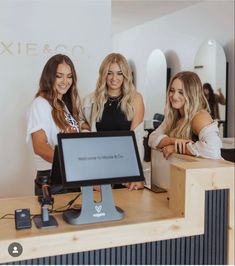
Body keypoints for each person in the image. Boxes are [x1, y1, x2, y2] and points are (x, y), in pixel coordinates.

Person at [26, 54, 88, 195]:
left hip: (69, 176)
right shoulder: (40, 104)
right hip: (52, 180)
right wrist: (71, 164)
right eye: (59, 76)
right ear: (49, 77)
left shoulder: (62, 105)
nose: (65, 81)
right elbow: (40, 147)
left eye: (69, 76)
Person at [82, 53, 145, 190]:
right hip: (98, 170)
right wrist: (84, 126)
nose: (114, 78)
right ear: (103, 74)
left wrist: (136, 175)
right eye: (109, 73)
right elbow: (82, 129)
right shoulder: (90, 100)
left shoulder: (136, 99)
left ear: (125, 75)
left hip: (124, 170)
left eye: (119, 73)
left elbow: (137, 140)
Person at [148, 71, 222, 160]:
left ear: (191, 94)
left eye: (181, 92)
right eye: (172, 90)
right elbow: (152, 139)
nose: (174, 96)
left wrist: (177, 148)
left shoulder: (199, 116)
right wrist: (173, 141)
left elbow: (213, 150)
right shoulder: (173, 116)